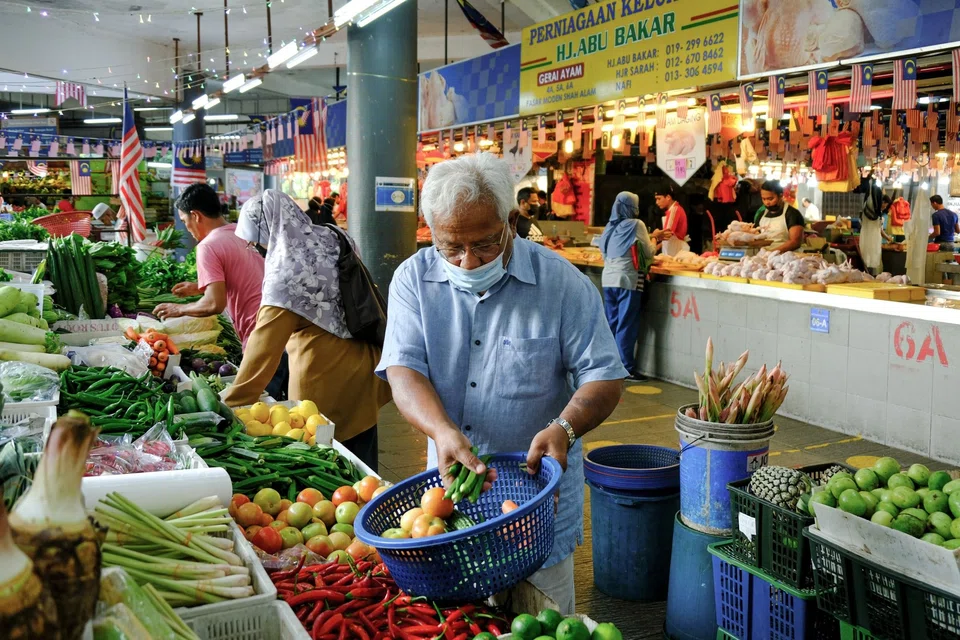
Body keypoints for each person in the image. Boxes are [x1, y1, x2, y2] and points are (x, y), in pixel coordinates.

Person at [377, 153, 626, 613]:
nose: (468, 261)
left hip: (537, 505)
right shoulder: (412, 280)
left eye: (486, 244)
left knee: (543, 619)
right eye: (451, 247)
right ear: (429, 230)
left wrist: (566, 428)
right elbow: (403, 370)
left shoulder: (562, 284)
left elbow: (604, 375)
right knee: (460, 618)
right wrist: (442, 431)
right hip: (451, 498)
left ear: (512, 221)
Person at [223, 189, 391, 470]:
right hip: (364, 364)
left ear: (269, 232)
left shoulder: (286, 272)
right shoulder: (333, 235)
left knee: (328, 463)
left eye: (255, 243)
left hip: (325, 377)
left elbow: (262, 350)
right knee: (364, 461)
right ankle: (369, 508)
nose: (257, 249)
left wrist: (230, 405)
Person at [152, 183, 265, 350]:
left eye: (184, 221)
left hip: (258, 335)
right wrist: (200, 287)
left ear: (196, 216)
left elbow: (214, 304)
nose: (187, 228)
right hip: (276, 325)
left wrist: (179, 309)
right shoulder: (240, 233)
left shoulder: (208, 246)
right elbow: (243, 276)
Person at [599, 192, 663, 381]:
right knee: (626, 324)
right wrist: (655, 239)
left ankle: (607, 365)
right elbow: (648, 252)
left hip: (608, 279)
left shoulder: (609, 227)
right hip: (628, 280)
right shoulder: (637, 225)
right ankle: (626, 368)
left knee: (612, 323)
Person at [755, 180, 805, 253]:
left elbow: (795, 242)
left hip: (788, 258)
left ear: (781, 195)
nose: (767, 202)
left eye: (770, 199)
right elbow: (756, 237)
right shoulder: (762, 215)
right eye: (764, 199)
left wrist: (772, 253)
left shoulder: (792, 214)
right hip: (764, 256)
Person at [654, 185, 688, 256]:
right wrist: (658, 246)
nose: (656, 202)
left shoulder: (674, 210)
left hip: (676, 251)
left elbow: (667, 234)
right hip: (672, 250)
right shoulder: (671, 210)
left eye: (659, 199)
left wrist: (653, 236)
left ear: (668, 197)